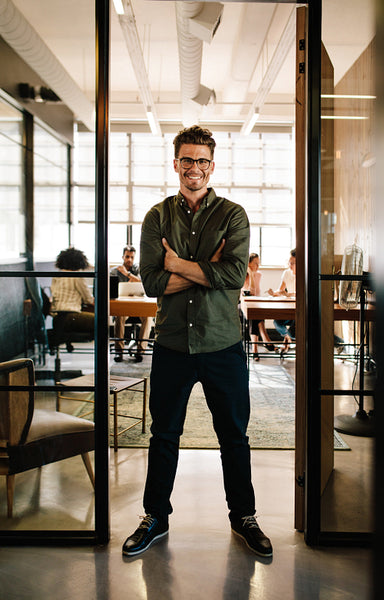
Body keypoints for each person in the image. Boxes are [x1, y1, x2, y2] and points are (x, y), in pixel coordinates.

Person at [122, 125, 272, 558]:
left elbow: (231, 276)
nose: (194, 168)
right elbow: (151, 282)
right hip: (172, 345)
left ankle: (243, 516)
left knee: (234, 437)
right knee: (163, 434)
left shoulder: (233, 215)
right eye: (187, 160)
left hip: (222, 344)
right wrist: (202, 267)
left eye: (202, 160)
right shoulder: (156, 217)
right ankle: (155, 516)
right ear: (176, 164)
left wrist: (178, 263)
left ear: (212, 165)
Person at [110, 245, 152, 363]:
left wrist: (128, 274)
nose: (129, 259)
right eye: (127, 257)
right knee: (119, 316)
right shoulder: (115, 271)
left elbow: (143, 283)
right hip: (123, 306)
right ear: (123, 256)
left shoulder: (138, 269)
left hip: (139, 305)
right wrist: (123, 273)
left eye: (132, 257)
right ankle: (119, 351)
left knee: (148, 318)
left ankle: (140, 351)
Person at [50, 247, 94, 350]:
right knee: (100, 320)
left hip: (57, 317)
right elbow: (88, 299)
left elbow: (54, 294)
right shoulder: (77, 275)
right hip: (71, 316)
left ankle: (66, 339)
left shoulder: (56, 275)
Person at [242, 253, 275, 360]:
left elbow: (253, 292)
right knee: (255, 314)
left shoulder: (258, 275)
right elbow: (247, 294)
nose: (258, 266)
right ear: (248, 264)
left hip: (254, 305)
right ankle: (265, 339)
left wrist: (252, 274)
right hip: (240, 306)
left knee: (255, 314)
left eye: (259, 263)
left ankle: (255, 350)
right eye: (255, 263)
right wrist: (249, 273)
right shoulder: (241, 275)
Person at [268, 248, 296, 353]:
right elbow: (280, 290)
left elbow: (305, 294)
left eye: (293, 263)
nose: (290, 265)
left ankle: (288, 340)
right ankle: (288, 338)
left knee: (295, 328)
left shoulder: (304, 273)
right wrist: (273, 293)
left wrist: (289, 294)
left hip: (300, 310)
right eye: (289, 262)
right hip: (289, 307)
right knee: (277, 322)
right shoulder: (286, 273)